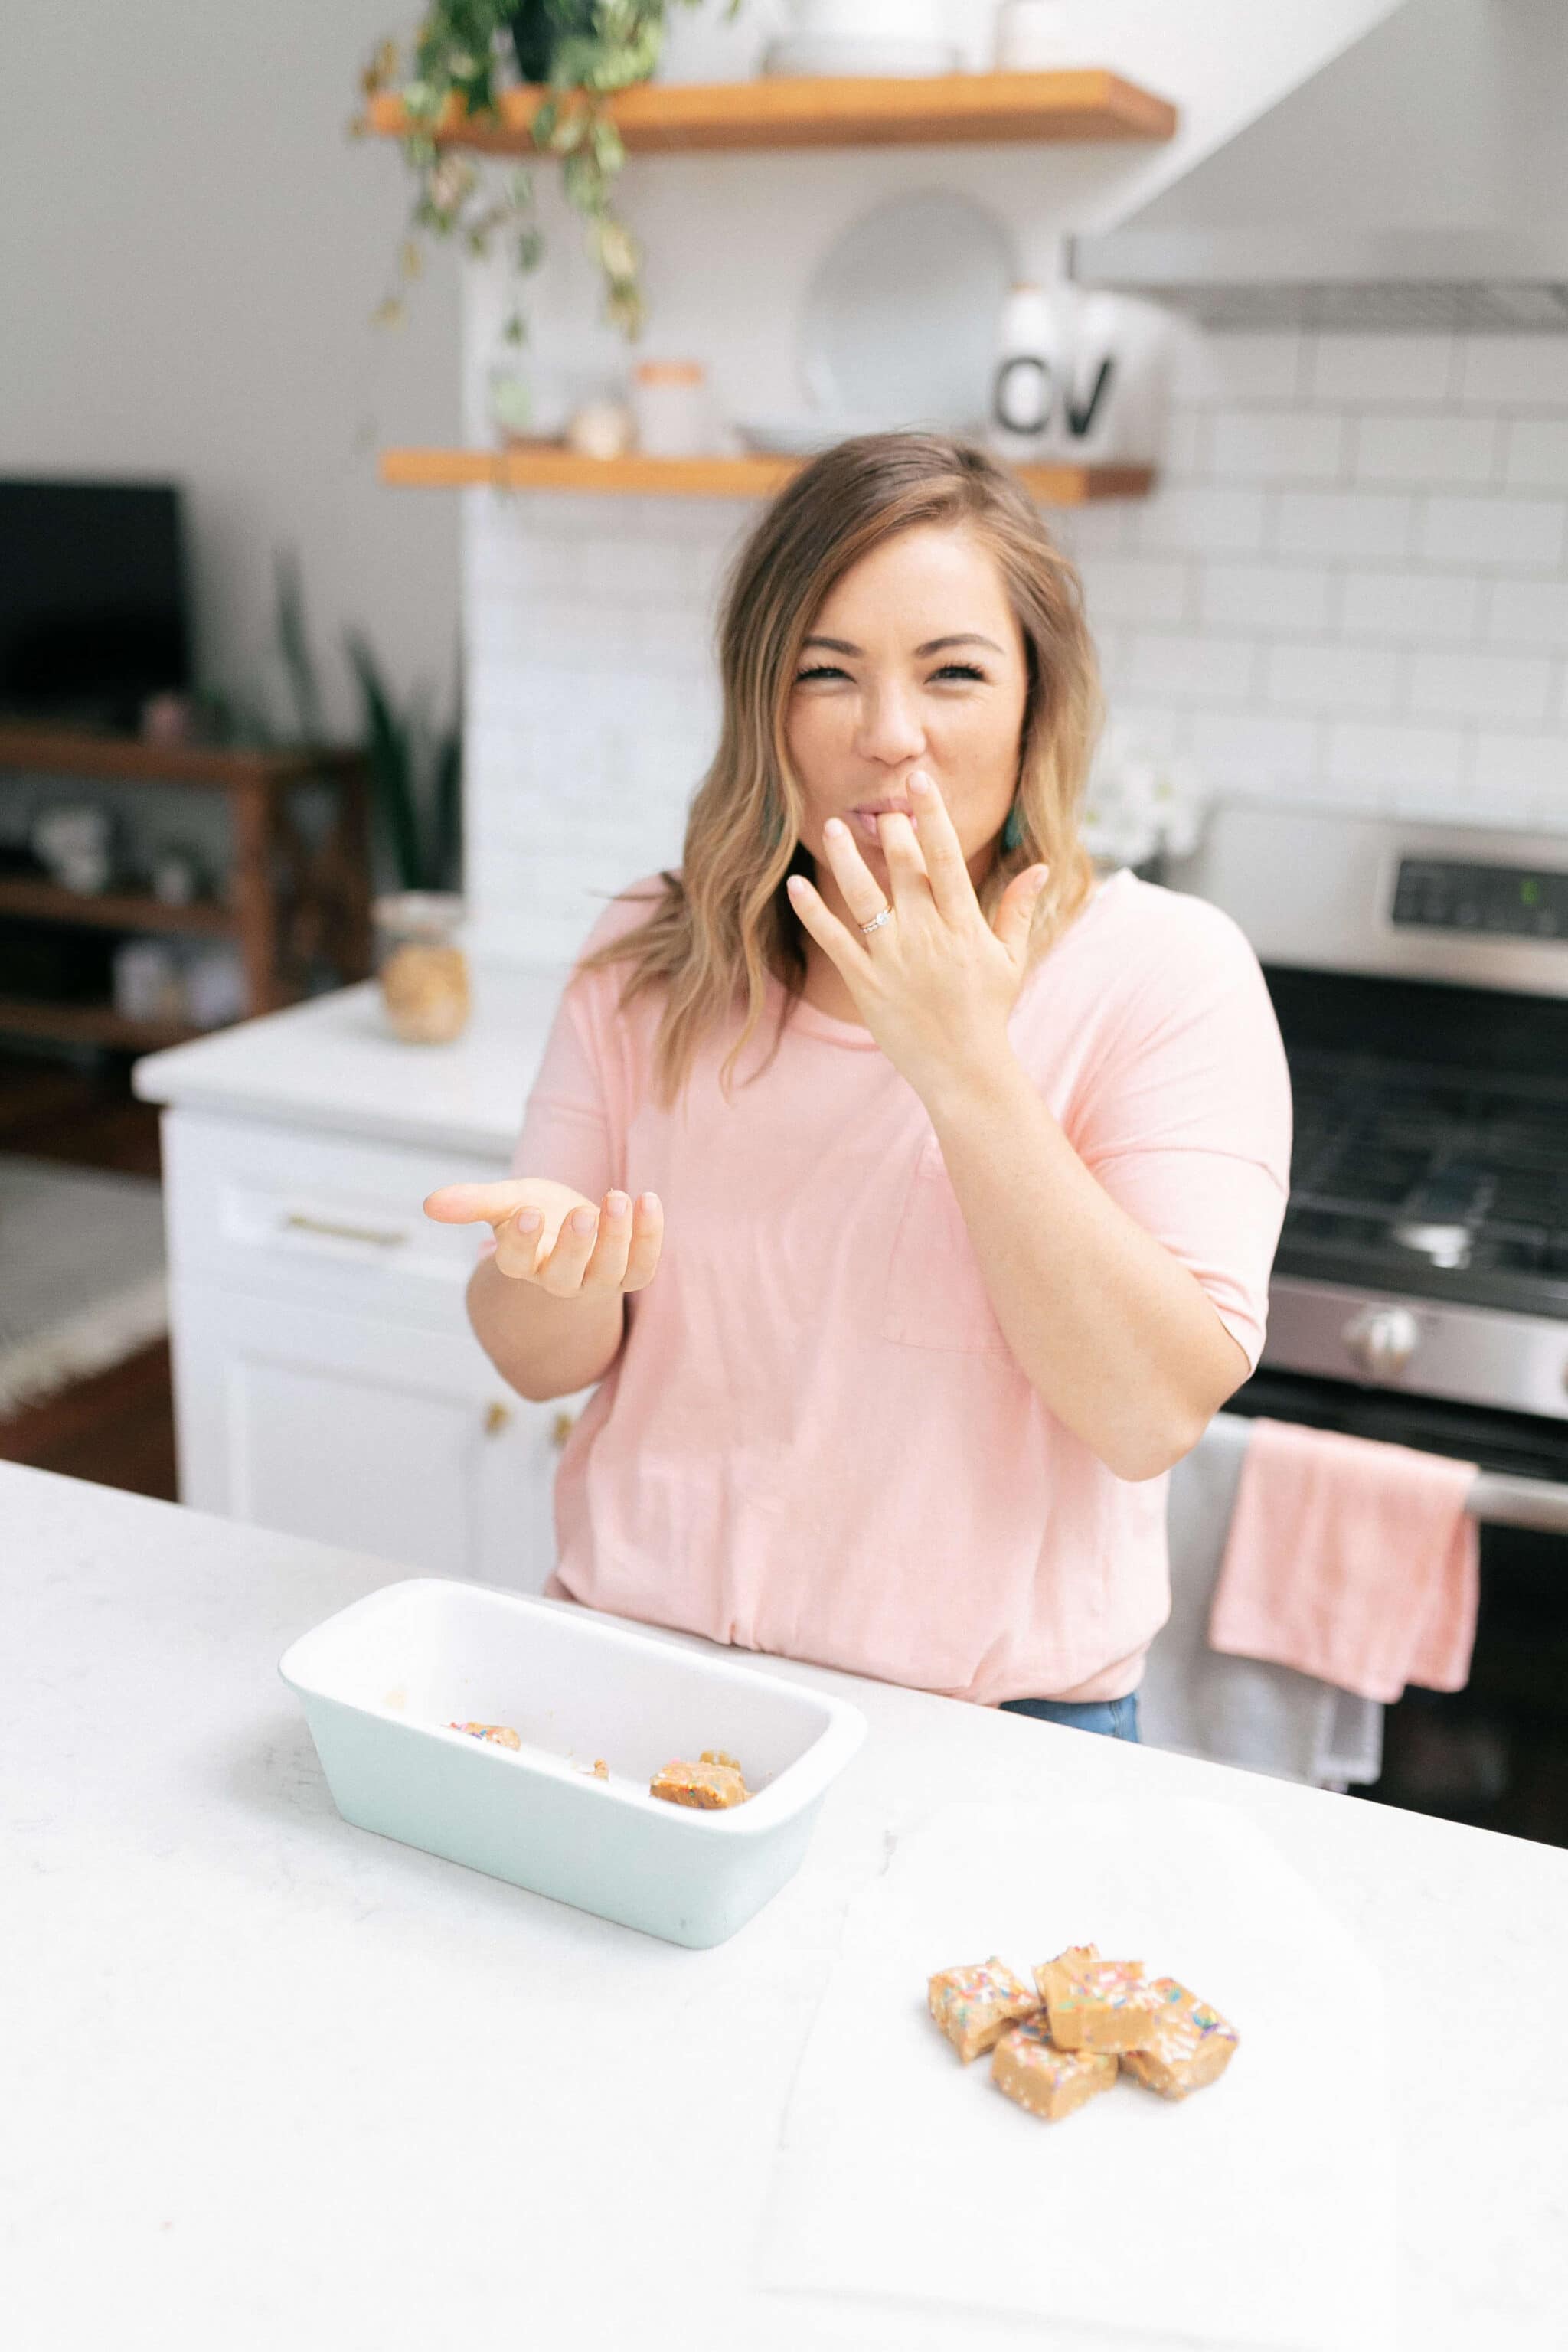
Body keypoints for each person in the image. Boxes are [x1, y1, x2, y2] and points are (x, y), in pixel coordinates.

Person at [424, 432, 1292, 1740]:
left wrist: (962, 1063)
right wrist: (554, 1281)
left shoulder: (1165, 975)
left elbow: (1147, 1411)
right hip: (629, 1680)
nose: (892, 738)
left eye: (953, 673)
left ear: (1034, 703)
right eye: (827, 672)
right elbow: (536, 1357)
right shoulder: (647, 954)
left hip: (994, 1739)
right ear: (764, 703)